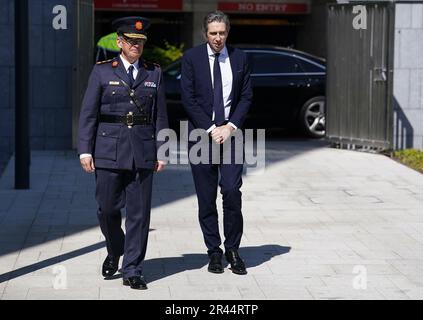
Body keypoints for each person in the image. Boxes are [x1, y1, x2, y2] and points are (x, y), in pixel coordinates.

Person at [77, 16, 168, 290]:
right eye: (130, 41)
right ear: (120, 42)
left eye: (140, 42)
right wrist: (85, 150)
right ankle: (115, 248)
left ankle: (133, 269)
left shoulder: (154, 73)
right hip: (107, 149)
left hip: (142, 149)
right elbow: (88, 114)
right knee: (107, 209)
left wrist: (162, 151)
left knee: (139, 215)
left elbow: (161, 116)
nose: (136, 46)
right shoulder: (103, 71)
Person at [181, 11, 253, 275]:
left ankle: (233, 249)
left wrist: (230, 126)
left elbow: (246, 97)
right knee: (206, 198)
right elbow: (188, 99)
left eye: (222, 33)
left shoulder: (240, 57)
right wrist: (212, 129)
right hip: (202, 135)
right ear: (205, 34)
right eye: (213, 33)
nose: (218, 38)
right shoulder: (191, 58)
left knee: (232, 191)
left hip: (232, 134)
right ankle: (214, 251)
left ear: (227, 32)